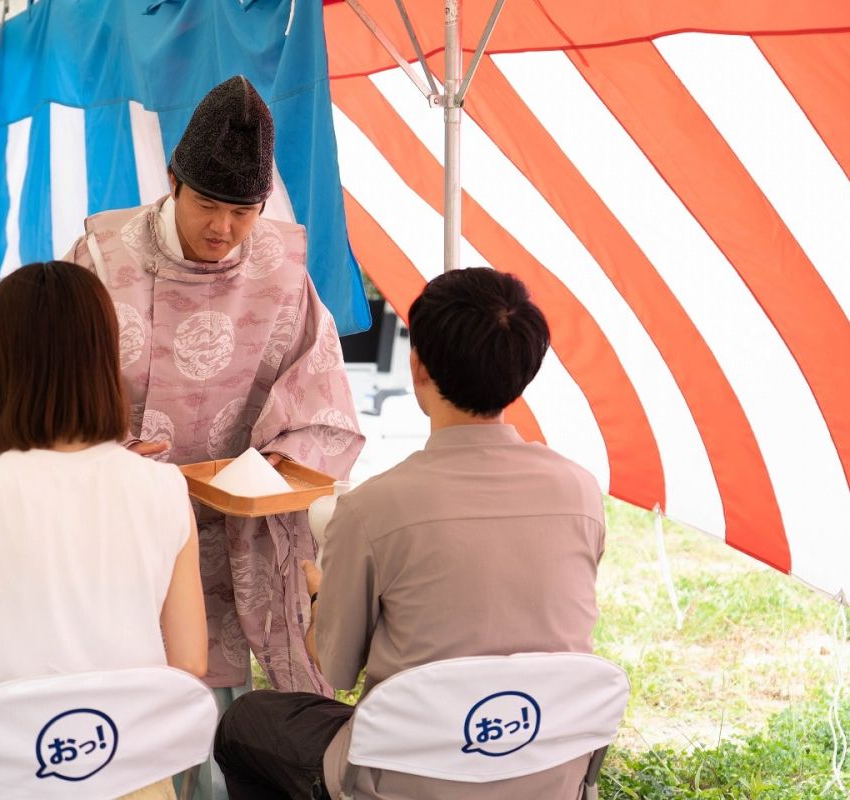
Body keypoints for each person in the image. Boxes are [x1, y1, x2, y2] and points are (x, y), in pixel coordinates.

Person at [213, 268, 607, 799]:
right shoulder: (581, 492)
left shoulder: (373, 508)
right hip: (547, 765)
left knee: (247, 722)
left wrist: (320, 598)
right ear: (526, 368)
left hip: (406, 778)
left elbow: (334, 667)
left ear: (417, 364)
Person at [65, 75, 364, 699]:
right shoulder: (100, 259)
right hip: (127, 508)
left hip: (241, 517)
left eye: (242, 211)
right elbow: (54, 387)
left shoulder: (282, 270)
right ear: (172, 183)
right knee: (135, 684)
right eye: (207, 205)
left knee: (234, 698)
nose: (223, 228)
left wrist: (283, 461)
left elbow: (322, 396)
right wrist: (104, 448)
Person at [0, 261, 207, 800]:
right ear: (103, 356)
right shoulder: (166, 489)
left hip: (11, 772)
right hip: (132, 768)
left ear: (3, 364)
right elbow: (190, 662)